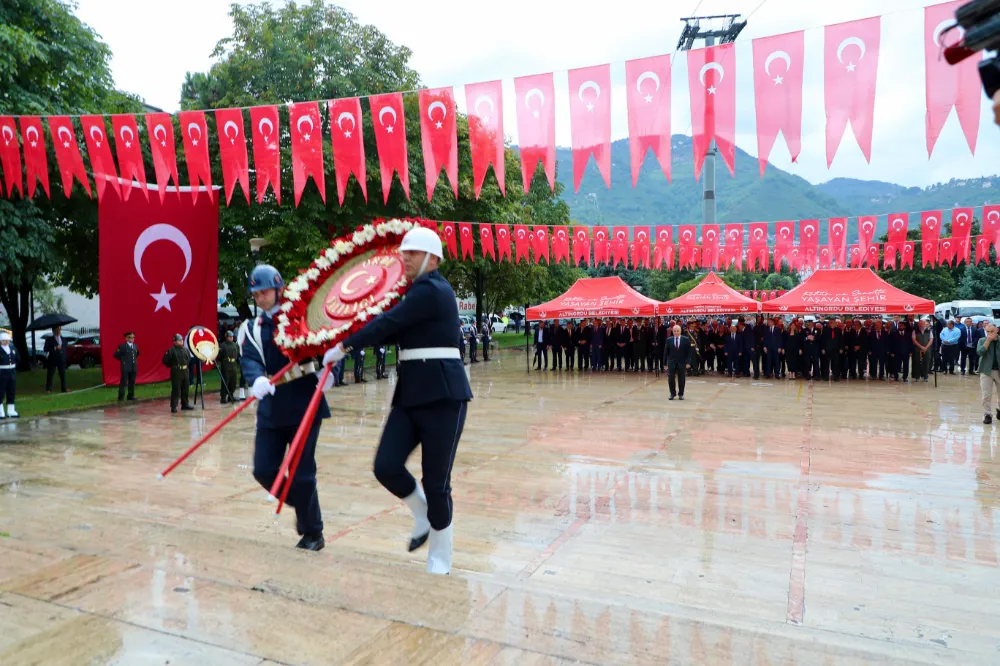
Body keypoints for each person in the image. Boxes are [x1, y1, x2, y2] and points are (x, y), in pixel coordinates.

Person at [323, 227, 472, 574]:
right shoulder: (412, 293)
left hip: (443, 396)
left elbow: (388, 323)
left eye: (413, 253)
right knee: (385, 466)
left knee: (437, 483)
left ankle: (440, 556)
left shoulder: (432, 290)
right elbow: (388, 326)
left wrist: (344, 345)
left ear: (433, 259)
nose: (404, 257)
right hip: (411, 394)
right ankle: (422, 514)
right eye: (404, 252)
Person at [240, 263, 330, 551]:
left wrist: (328, 375)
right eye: (255, 294)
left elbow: (327, 348)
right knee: (263, 469)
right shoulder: (252, 327)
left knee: (303, 474)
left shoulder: (301, 318)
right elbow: (250, 358)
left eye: (264, 292)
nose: (259, 298)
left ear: (279, 289)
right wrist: (256, 380)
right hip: (272, 409)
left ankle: (313, 531)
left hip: (305, 404)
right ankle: (301, 503)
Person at [162, 334, 194, 413]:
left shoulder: (185, 350)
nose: (181, 341)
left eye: (182, 340)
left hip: (185, 371)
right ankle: (174, 406)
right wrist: (173, 366)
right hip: (176, 371)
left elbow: (188, 359)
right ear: (175, 342)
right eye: (179, 340)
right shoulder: (171, 350)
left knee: (185, 388)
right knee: (176, 389)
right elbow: (165, 360)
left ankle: (185, 404)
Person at [979, 323, 1000, 424]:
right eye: (988, 332)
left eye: (992, 331)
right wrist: (987, 341)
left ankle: (999, 409)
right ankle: (987, 414)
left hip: (999, 371)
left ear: (997, 331)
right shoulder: (982, 340)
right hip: (986, 371)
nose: (990, 333)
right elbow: (980, 352)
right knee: (986, 394)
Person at [665, 324, 692, 400]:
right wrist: (664, 364)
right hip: (671, 362)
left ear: (680, 331)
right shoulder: (669, 340)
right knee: (671, 378)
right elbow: (665, 352)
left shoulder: (686, 339)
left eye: (678, 331)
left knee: (681, 378)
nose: (676, 332)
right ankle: (672, 393)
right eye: (674, 331)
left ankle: (681, 394)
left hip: (682, 362)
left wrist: (688, 362)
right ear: (672, 332)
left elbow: (689, 352)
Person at [114, 332, 140, 401]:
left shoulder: (135, 346)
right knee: (124, 383)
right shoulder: (122, 346)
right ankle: (121, 397)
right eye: (130, 337)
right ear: (126, 338)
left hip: (133, 367)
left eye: (133, 337)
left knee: (132, 382)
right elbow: (116, 355)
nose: (132, 339)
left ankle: (130, 396)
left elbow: (137, 354)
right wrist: (123, 360)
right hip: (125, 368)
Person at [44, 326, 68, 393]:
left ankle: (64, 388)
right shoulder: (49, 339)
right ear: (53, 331)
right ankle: (48, 388)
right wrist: (54, 348)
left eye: (59, 330)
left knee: (62, 374)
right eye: (56, 331)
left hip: (61, 359)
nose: (58, 332)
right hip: (53, 359)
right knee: (50, 374)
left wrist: (64, 356)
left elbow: (65, 348)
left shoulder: (63, 339)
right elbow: (45, 349)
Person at [218, 330, 240, 403]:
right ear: (226, 337)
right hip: (226, 365)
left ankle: (231, 395)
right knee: (225, 381)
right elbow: (220, 356)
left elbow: (238, 354)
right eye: (230, 337)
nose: (231, 338)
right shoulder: (223, 345)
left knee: (233, 381)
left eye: (232, 336)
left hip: (233, 365)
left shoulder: (235, 345)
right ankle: (223, 397)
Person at [0, 331, 18, 418]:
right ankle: (1, 411)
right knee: (1, 392)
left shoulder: (13, 349)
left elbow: (18, 359)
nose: (6, 342)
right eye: (4, 340)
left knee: (11, 391)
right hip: (2, 373)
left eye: (7, 340)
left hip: (12, 372)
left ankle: (11, 410)